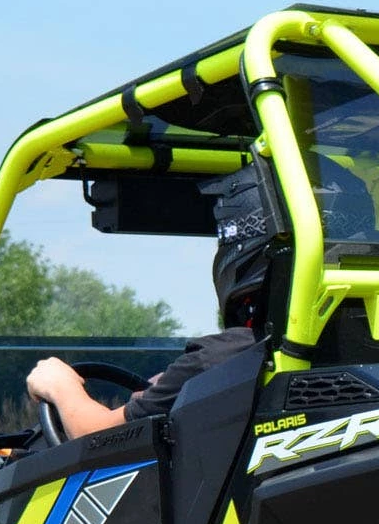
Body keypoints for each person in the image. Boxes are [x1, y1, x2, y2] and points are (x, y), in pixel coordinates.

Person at [24, 169, 276, 439]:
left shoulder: (218, 361)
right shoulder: (289, 355)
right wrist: (165, 391)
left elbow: (101, 437)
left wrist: (61, 386)